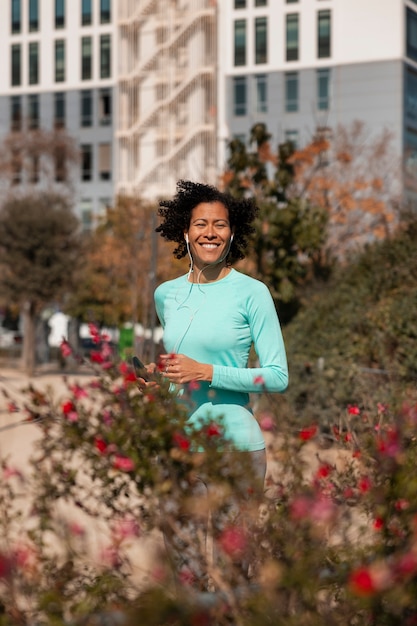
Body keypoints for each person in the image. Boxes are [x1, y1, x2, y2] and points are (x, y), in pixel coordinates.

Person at [151, 180, 288, 588]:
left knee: (233, 574)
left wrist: (207, 372)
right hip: (178, 447)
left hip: (237, 451)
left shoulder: (252, 293)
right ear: (184, 232)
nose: (211, 232)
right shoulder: (166, 295)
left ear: (233, 233)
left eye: (221, 225)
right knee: (184, 569)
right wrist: (159, 384)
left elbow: (277, 376)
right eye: (201, 224)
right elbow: (180, 367)